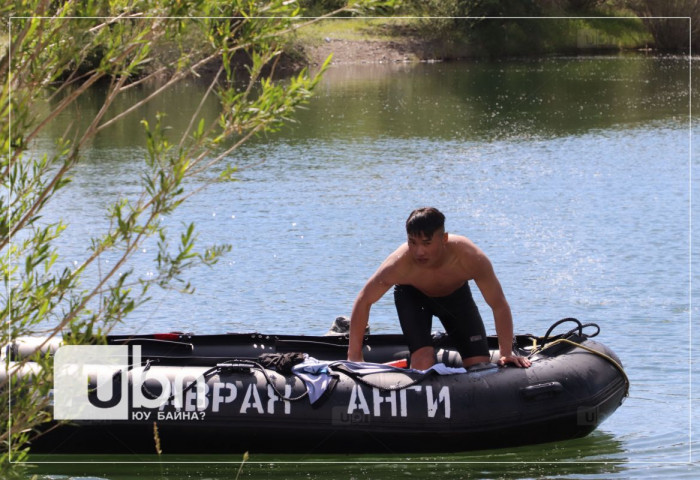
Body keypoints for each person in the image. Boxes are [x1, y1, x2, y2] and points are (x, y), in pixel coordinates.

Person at [347, 207, 531, 370]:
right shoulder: (399, 264)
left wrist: (506, 352)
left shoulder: (470, 258)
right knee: (423, 362)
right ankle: (421, 355)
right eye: (412, 242)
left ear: (444, 238)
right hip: (413, 297)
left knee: (480, 366)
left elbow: (498, 304)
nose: (419, 252)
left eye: (427, 243)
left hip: (456, 298)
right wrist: (354, 356)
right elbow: (364, 300)